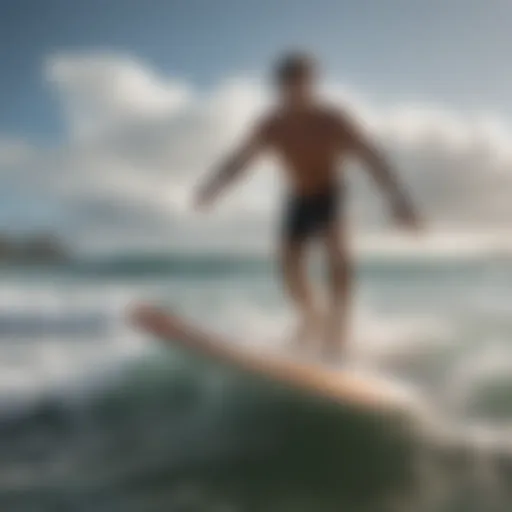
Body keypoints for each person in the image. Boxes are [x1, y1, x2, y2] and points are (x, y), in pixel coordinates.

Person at [195, 52, 420, 358]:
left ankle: (338, 331)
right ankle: (311, 319)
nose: (295, 93)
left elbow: (372, 157)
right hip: (298, 198)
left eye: (302, 85)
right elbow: (240, 159)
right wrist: (214, 186)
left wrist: (399, 200)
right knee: (288, 265)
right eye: (288, 86)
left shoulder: (332, 120)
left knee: (338, 255)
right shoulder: (270, 125)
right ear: (280, 87)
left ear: (312, 85)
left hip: (330, 194)